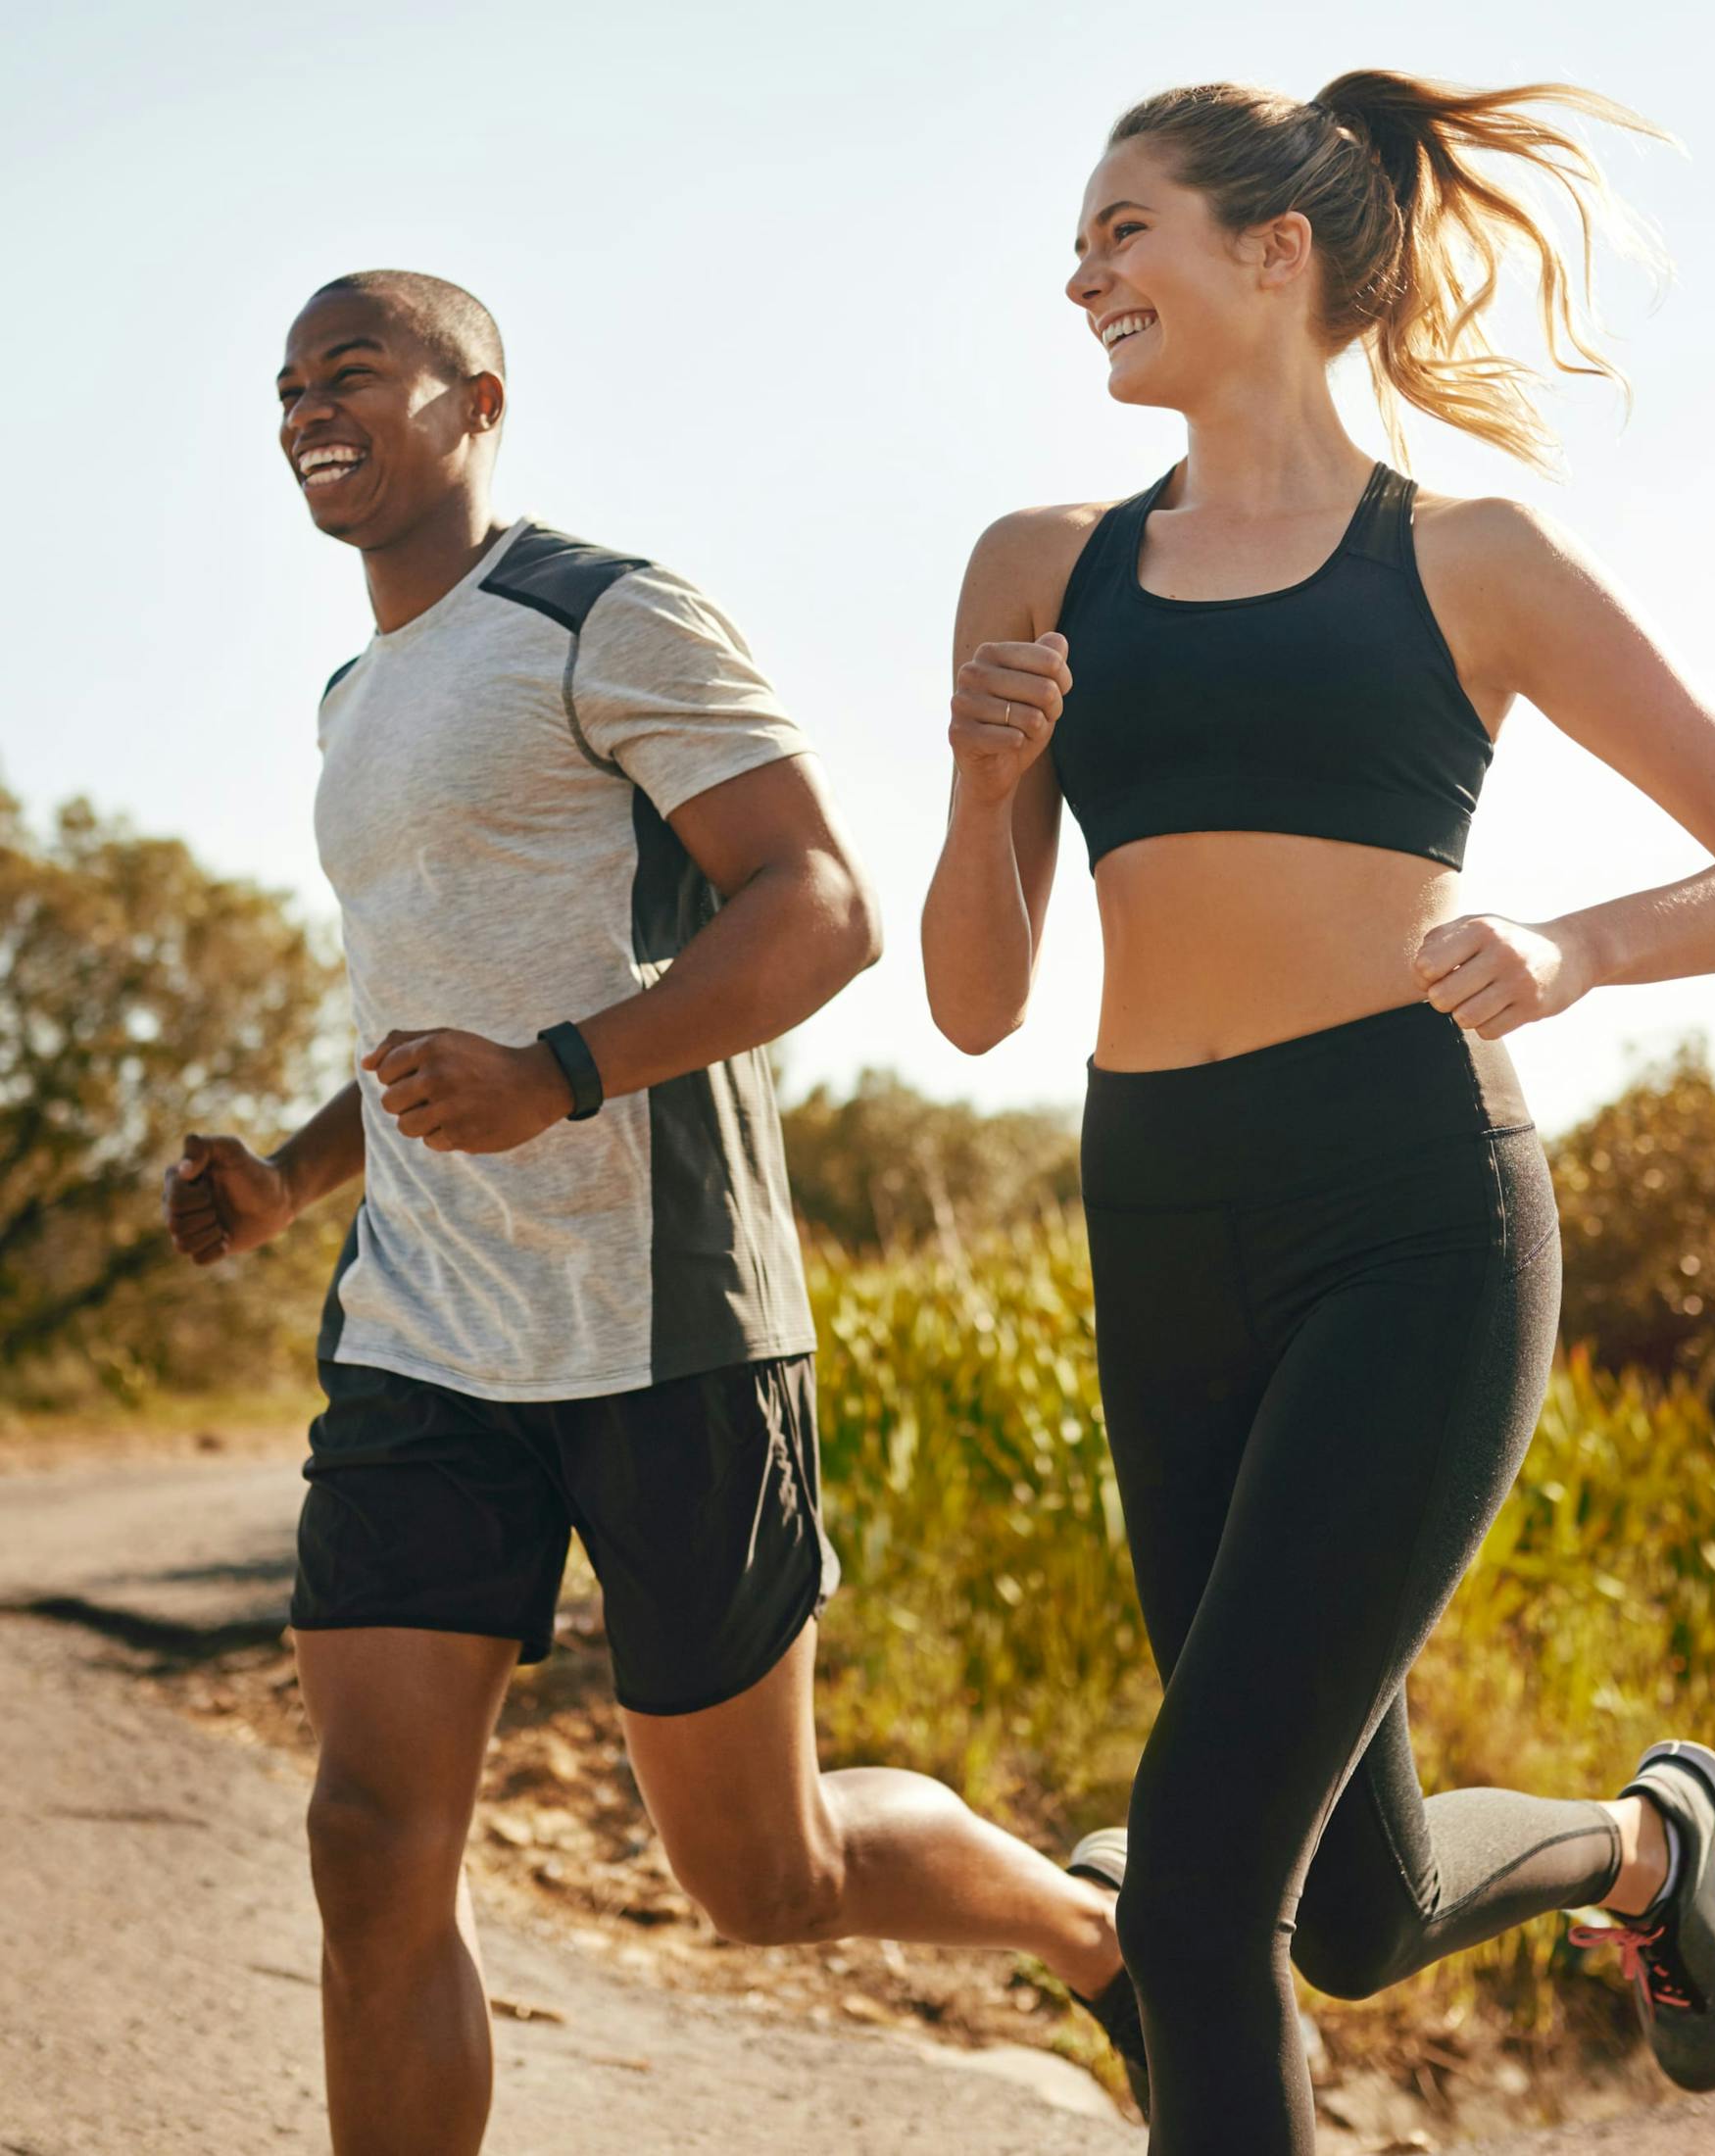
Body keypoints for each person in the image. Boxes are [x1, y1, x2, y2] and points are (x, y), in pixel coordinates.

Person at [922, 71, 1715, 2154]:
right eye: (1079, 239)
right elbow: (975, 1000)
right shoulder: (1037, 562)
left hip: (1406, 1210)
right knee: (1346, 1911)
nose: (1079, 272)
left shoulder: (1466, 558)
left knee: (1186, 1886)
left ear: (1272, 256)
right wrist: (989, 783)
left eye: (1122, 229)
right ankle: (1647, 1843)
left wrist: (1576, 949)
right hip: (1157, 1214)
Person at [161, 269, 1124, 2156]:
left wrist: (568, 1074)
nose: (306, 408)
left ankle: (1102, 1936)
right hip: (423, 1331)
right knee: (368, 1848)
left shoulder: (606, 615)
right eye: (284, 387)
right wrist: (288, 1180)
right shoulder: (357, 695)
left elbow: (819, 907)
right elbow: (412, 1021)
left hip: (667, 1322)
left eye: (351, 370)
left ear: (475, 397)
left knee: (763, 1879)